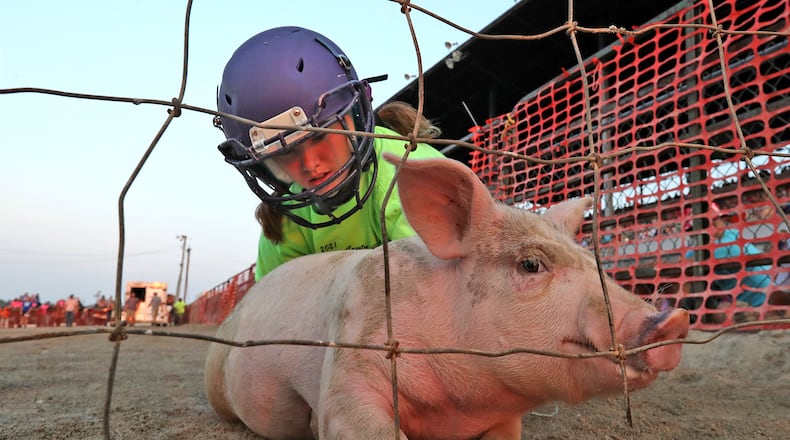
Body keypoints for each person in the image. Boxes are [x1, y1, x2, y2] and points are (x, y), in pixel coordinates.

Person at [214, 26, 446, 281]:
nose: (310, 164)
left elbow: (442, 290)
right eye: (285, 153)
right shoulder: (289, 219)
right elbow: (276, 312)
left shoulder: (414, 171)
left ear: (356, 117)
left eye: (321, 135)